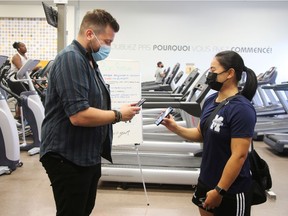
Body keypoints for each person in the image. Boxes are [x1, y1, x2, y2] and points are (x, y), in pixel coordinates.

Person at [39, 9, 140, 216]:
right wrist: (118, 115)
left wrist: (120, 110)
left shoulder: (89, 61)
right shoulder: (71, 59)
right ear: (89, 34)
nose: (108, 47)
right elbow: (79, 115)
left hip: (86, 153)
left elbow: (93, 101)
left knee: (83, 209)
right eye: (107, 41)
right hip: (67, 155)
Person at [161, 50, 258, 216]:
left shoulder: (242, 109)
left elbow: (239, 156)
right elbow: (200, 133)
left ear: (230, 73)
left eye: (213, 70)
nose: (209, 75)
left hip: (231, 188)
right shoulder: (210, 100)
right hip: (206, 180)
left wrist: (219, 190)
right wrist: (175, 127)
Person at [10, 41, 41, 119]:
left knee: (24, 96)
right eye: (23, 46)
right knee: (24, 96)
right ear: (19, 48)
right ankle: (19, 115)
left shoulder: (25, 57)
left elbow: (27, 72)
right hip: (14, 80)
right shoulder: (16, 57)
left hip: (22, 80)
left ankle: (20, 115)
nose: (25, 47)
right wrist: (35, 67)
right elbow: (21, 69)